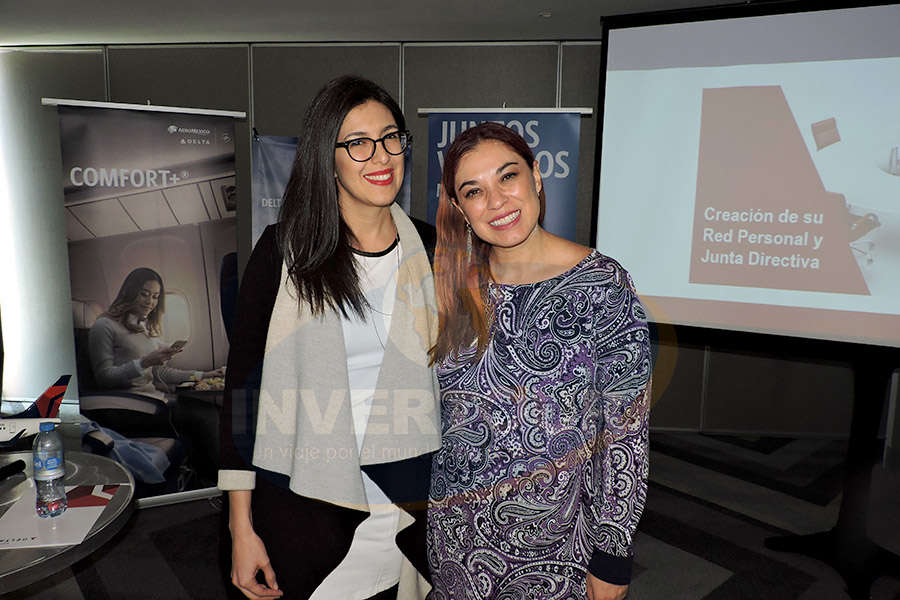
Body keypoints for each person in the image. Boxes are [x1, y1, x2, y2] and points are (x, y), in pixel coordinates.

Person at [217, 75, 439, 600]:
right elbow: (242, 396)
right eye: (357, 143)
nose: (380, 156)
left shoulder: (432, 249)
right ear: (327, 156)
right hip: (307, 503)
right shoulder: (283, 252)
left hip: (410, 505)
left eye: (390, 137)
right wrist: (240, 528)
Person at [426, 123, 651, 600]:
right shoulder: (451, 289)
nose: (496, 201)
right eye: (474, 191)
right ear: (461, 210)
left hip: (559, 552)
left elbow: (625, 436)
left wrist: (613, 555)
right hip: (456, 545)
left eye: (507, 177)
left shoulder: (602, 286)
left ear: (537, 176)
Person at [89, 267, 220, 399]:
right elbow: (104, 378)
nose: (150, 302)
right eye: (144, 294)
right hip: (129, 401)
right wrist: (144, 363)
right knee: (204, 417)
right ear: (130, 293)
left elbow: (160, 373)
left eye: (155, 297)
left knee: (206, 410)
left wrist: (204, 375)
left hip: (152, 397)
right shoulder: (104, 325)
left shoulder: (142, 327)